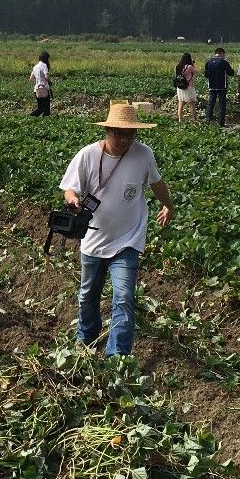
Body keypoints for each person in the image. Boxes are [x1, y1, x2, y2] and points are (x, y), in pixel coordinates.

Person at [59, 103, 173, 357]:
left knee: (124, 298)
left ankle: (117, 358)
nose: (124, 139)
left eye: (129, 134)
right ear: (107, 131)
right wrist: (73, 199)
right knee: (88, 296)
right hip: (93, 240)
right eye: (118, 134)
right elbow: (70, 188)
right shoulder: (87, 155)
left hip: (127, 240)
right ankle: (86, 338)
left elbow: (156, 183)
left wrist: (168, 205)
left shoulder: (143, 154)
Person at [203, 47, 235, 126]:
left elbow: (206, 75)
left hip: (212, 86)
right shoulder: (223, 62)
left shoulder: (208, 62)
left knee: (211, 104)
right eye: (224, 54)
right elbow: (230, 73)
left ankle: (208, 120)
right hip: (222, 86)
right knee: (222, 105)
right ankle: (221, 123)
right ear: (222, 53)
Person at [174, 53, 198, 122]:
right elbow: (196, 72)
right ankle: (195, 120)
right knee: (192, 104)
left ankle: (180, 119)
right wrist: (192, 64)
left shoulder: (178, 66)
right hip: (188, 87)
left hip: (180, 87)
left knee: (181, 103)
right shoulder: (190, 67)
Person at [29, 52, 52, 116]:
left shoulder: (35, 67)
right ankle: (45, 123)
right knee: (47, 110)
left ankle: (30, 118)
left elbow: (31, 79)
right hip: (44, 89)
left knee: (40, 108)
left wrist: (38, 80)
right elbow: (47, 77)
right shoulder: (44, 65)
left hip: (37, 90)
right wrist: (48, 81)